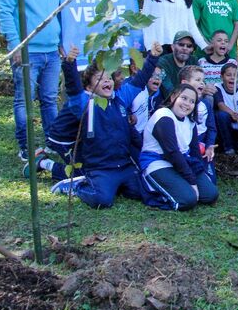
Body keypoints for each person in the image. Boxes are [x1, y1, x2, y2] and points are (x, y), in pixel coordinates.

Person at [38, 43, 162, 208]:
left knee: (141, 193)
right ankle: (78, 185)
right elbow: (74, 88)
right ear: (89, 87)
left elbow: (139, 81)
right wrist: (69, 64)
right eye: (100, 78)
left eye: (109, 77)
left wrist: (153, 57)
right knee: (102, 200)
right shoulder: (84, 103)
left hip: (123, 165)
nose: (106, 81)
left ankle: (112, 185)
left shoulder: (120, 98)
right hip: (100, 167)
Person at [0, 0, 62, 161]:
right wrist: (16, 44)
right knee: (24, 100)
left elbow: (59, 12)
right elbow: (3, 11)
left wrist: (62, 42)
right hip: (28, 50)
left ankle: (53, 142)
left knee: (49, 99)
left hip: (52, 51)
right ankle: (26, 146)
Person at [139, 84, 219, 211]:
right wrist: (192, 181)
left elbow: (194, 152)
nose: (187, 104)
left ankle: (182, 186)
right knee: (188, 200)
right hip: (159, 163)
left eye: (192, 101)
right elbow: (172, 152)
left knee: (211, 194)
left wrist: (200, 173)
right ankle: (154, 189)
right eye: (184, 98)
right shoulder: (163, 116)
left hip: (181, 162)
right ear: (173, 97)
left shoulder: (190, 122)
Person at [213, 63, 238, 156]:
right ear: (222, 77)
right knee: (222, 115)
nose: (232, 78)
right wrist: (232, 114)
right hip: (223, 127)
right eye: (228, 75)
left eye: (235, 75)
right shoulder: (217, 88)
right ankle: (228, 148)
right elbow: (220, 105)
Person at [157, 31, 200, 98]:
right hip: (168, 101)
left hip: (189, 98)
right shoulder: (163, 62)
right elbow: (168, 88)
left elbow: (200, 82)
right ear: (172, 47)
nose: (185, 48)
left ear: (192, 49)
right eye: (181, 44)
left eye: (189, 46)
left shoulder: (193, 60)